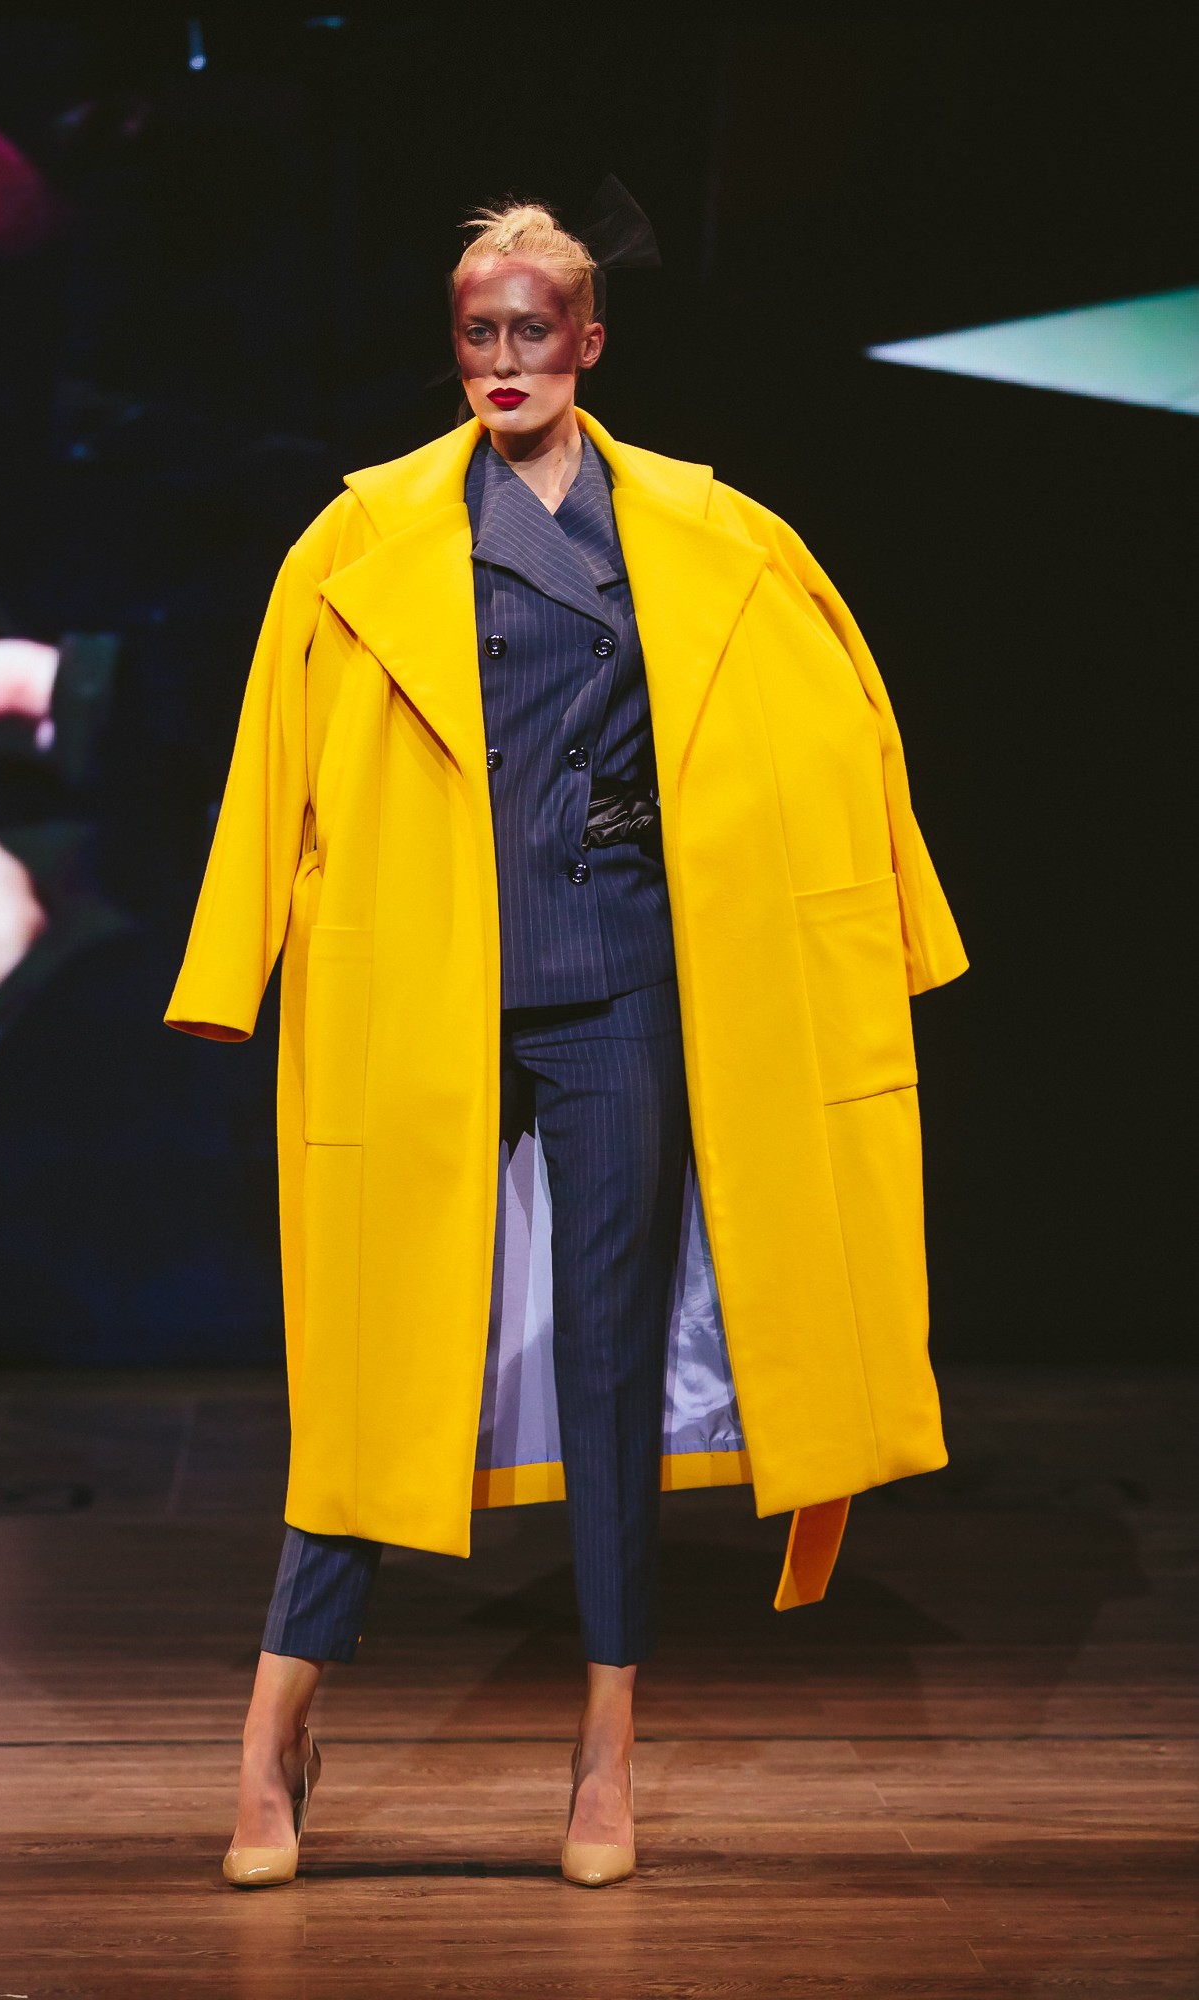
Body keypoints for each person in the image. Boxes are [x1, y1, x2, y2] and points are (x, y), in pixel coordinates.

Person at [166, 200, 968, 1889]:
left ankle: (605, 1752)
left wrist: (885, 917)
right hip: (419, 986)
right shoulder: (368, 533)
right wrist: (229, 963)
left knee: (608, 1375)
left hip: (617, 989)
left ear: (588, 342)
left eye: (532, 330)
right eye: (478, 333)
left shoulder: (704, 531)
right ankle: (274, 1731)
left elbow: (836, 727)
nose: (502, 361)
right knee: (371, 1366)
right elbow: (269, 755)